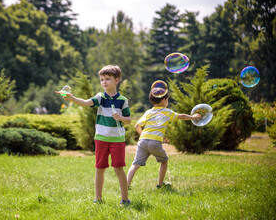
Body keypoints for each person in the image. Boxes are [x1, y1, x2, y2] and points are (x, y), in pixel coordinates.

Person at [61, 65, 132, 206]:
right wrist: (72, 98)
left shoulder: (122, 100)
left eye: (107, 79)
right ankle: (98, 199)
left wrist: (121, 117)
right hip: (101, 138)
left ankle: (125, 199)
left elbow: (129, 120)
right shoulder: (100, 97)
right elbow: (87, 103)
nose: (104, 82)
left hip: (117, 140)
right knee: (100, 168)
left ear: (116, 80)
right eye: (101, 79)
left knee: (118, 168)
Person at [127, 86, 201, 189]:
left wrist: (144, 136)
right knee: (164, 161)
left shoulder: (148, 112)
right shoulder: (167, 112)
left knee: (135, 164)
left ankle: (126, 185)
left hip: (142, 141)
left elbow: (137, 126)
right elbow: (182, 116)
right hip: (155, 142)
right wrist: (193, 117)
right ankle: (160, 185)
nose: (167, 101)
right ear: (163, 100)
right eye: (167, 99)